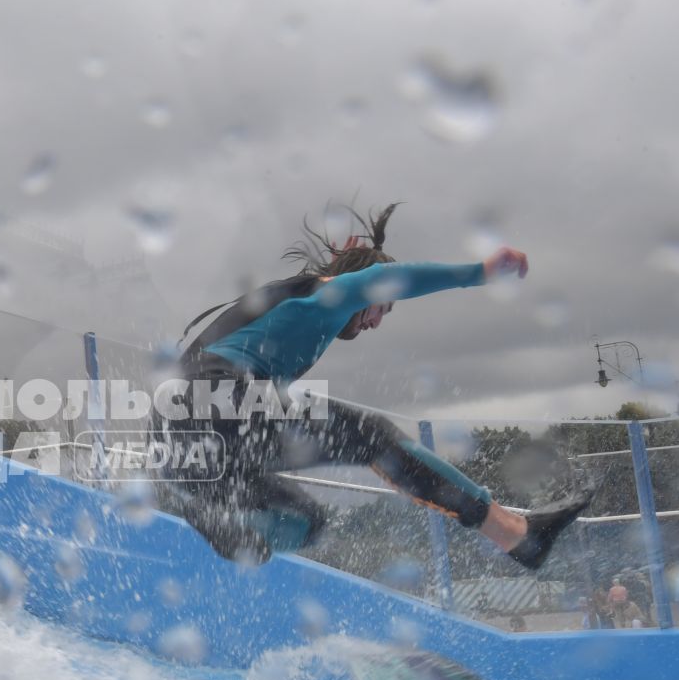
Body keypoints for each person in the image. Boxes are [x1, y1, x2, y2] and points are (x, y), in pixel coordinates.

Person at [157, 204, 591, 567]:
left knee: (304, 521)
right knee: (372, 436)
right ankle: (517, 535)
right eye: (382, 307)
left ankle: (200, 513)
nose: (377, 321)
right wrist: (479, 272)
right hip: (206, 402)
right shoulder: (323, 296)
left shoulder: (293, 316)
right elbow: (384, 279)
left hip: (182, 451)